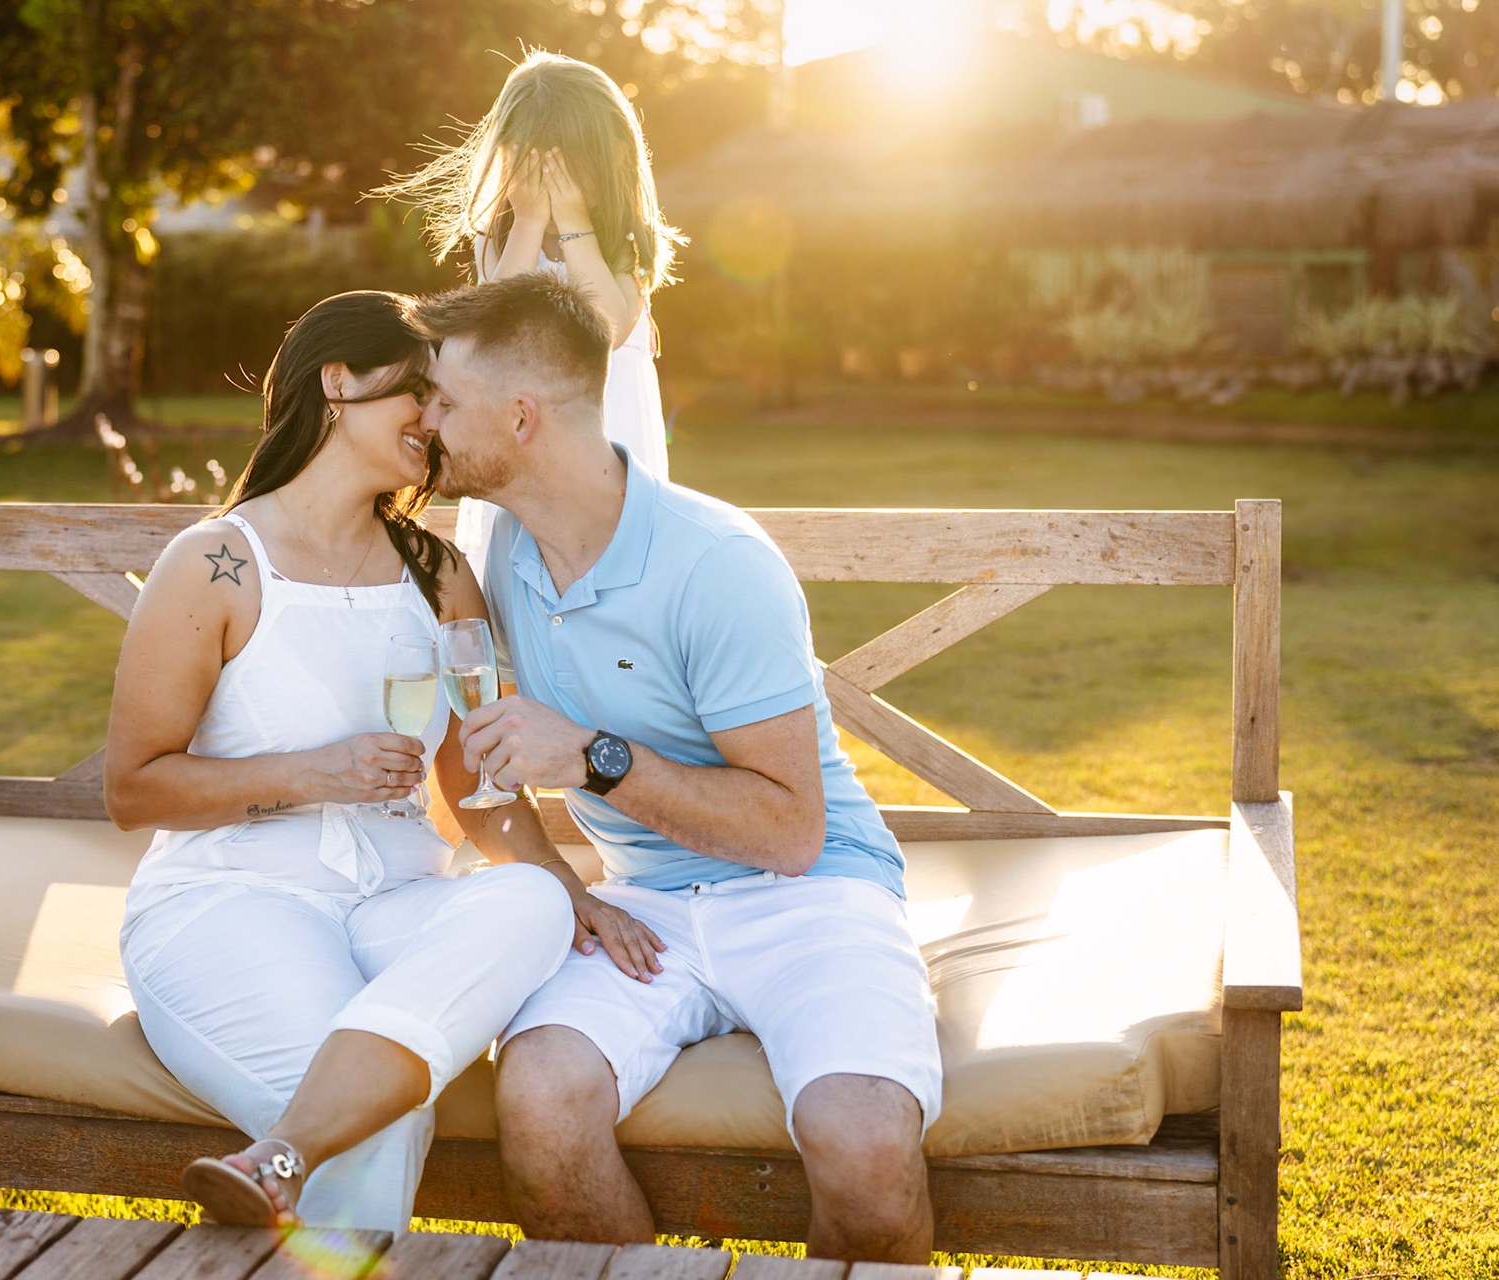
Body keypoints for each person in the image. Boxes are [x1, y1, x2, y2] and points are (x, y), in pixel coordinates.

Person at [412, 274, 946, 1263]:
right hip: (643, 902)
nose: (423, 419)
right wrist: (568, 888)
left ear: (520, 417)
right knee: (540, 1100)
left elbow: (791, 831)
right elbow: (470, 764)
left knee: (865, 1142)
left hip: (810, 890)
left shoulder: (715, 561)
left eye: (442, 400)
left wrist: (591, 757)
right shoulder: (502, 550)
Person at [102, 290, 579, 1236]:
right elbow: (133, 788)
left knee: (534, 901)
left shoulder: (438, 573)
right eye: (421, 393)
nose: (437, 420)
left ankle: (284, 1153)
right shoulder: (218, 563)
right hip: (232, 904)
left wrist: (575, 893)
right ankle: (302, 1163)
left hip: (398, 902)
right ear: (338, 382)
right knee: (380, 1123)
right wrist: (310, 774)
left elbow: (473, 786)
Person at [373, 49, 682, 579]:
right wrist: (531, 219)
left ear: (608, 161)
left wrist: (575, 224)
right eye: (537, 163)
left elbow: (607, 329)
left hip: (609, 444)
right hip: (520, 451)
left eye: (569, 164)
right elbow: (489, 336)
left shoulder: (620, 243)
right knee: (522, 581)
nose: (552, 177)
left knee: (612, 576)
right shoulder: (500, 236)